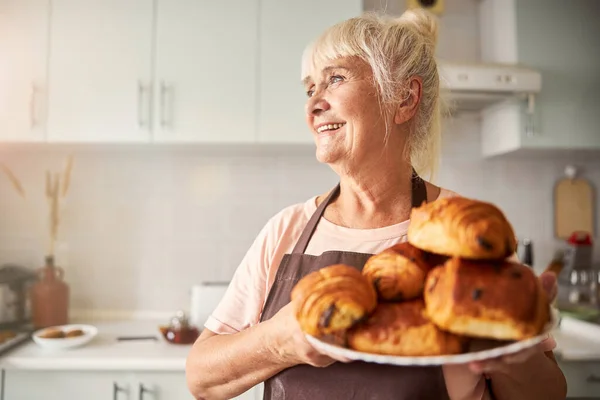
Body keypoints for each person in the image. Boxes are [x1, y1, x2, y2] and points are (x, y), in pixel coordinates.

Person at [185, 9, 567, 400]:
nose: (313, 104)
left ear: (404, 98)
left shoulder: (465, 235)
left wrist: (510, 354)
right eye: (309, 88)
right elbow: (201, 376)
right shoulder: (287, 230)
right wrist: (279, 340)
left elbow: (548, 394)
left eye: (334, 79)